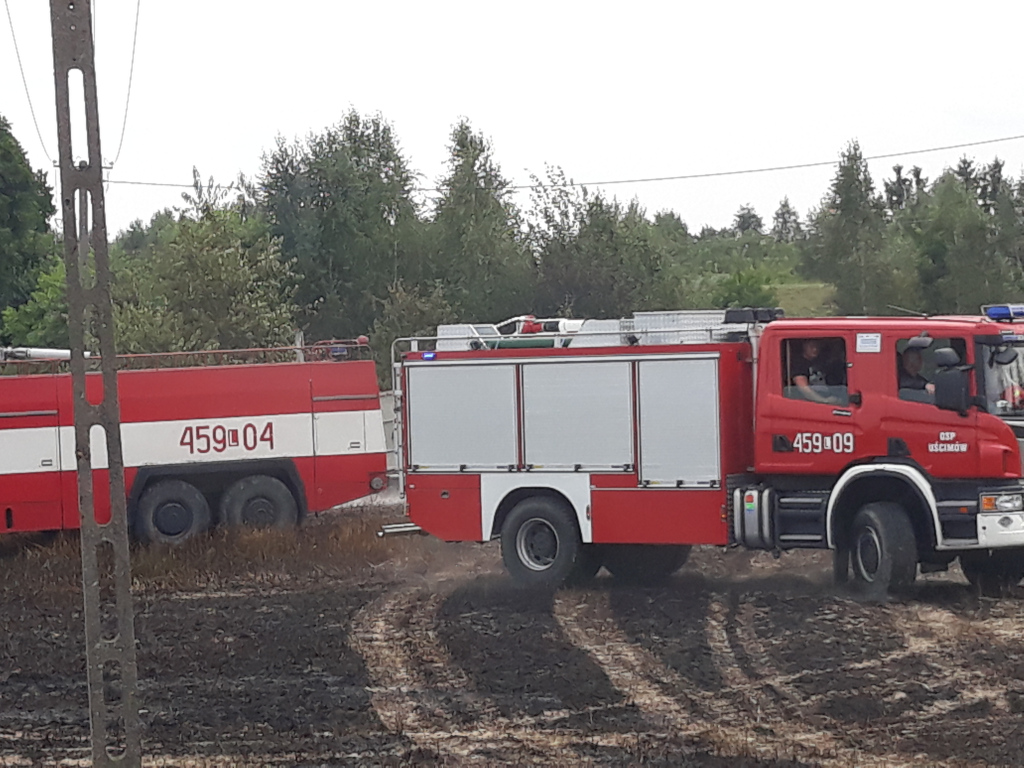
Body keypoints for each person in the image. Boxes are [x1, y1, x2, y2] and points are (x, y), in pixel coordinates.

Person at [788, 339, 842, 404]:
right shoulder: (799, 364)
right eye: (811, 346)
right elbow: (804, 388)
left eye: (817, 346)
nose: (815, 349)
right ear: (804, 346)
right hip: (811, 404)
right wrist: (824, 401)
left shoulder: (820, 362)